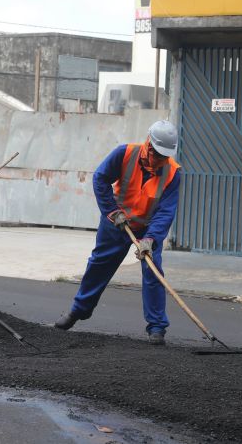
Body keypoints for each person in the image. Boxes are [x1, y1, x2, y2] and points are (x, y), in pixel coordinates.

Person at [54, 120, 181, 345]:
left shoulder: (173, 172)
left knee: (153, 273)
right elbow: (100, 179)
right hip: (116, 223)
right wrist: (112, 212)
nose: (162, 161)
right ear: (149, 146)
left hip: (146, 228)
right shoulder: (124, 153)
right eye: (159, 155)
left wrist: (150, 239)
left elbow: (165, 211)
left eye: (165, 156)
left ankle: (157, 327)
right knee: (99, 265)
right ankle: (78, 311)